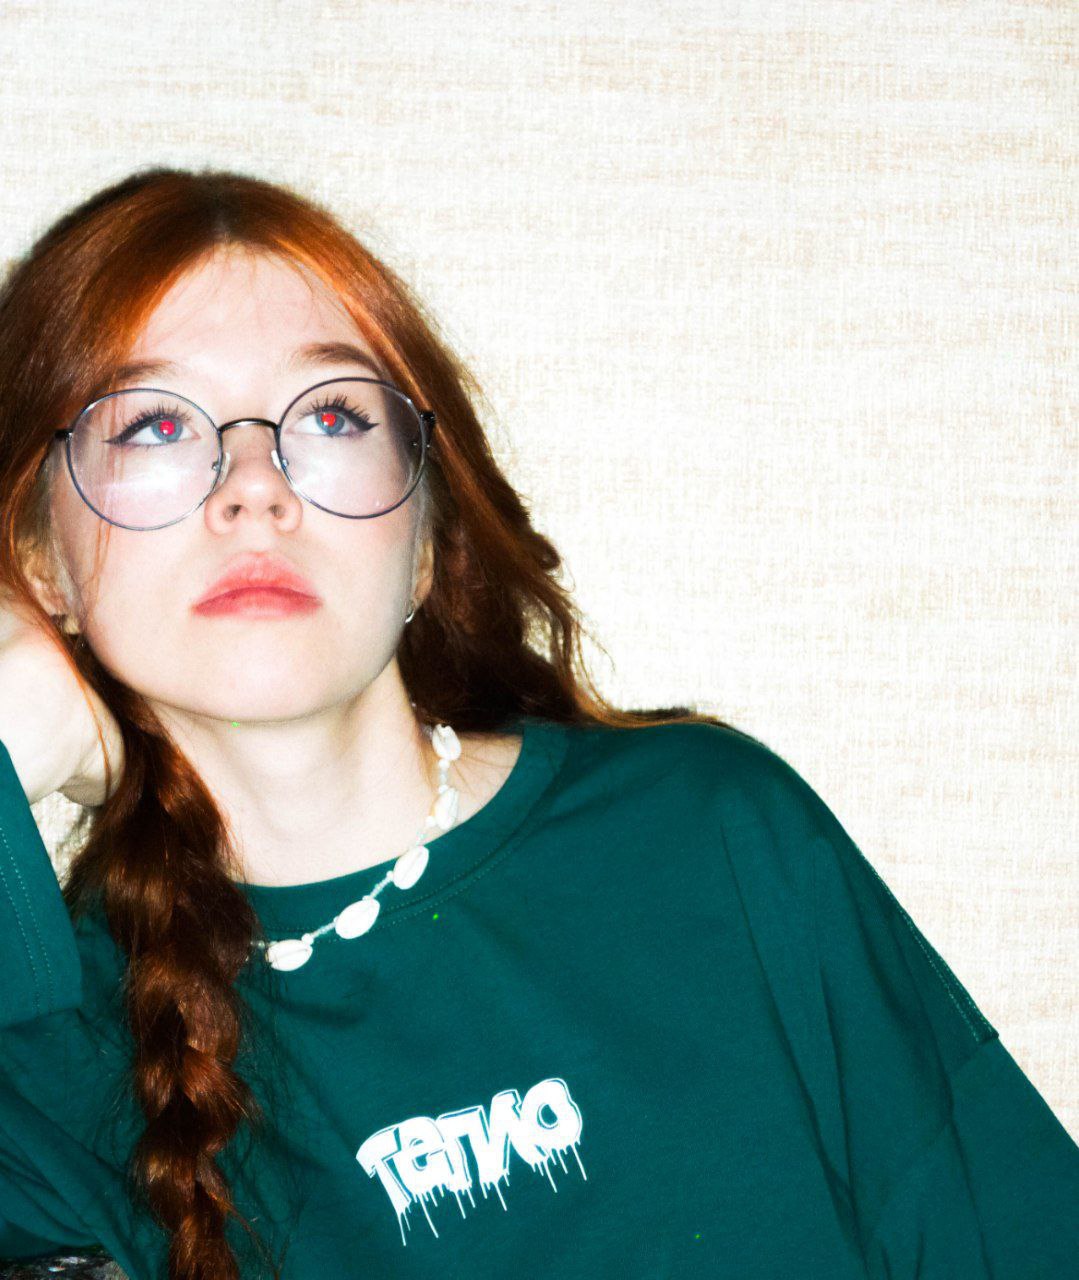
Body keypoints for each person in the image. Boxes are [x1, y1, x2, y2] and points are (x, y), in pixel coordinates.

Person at [0, 167, 1074, 1280]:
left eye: (329, 416)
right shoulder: (53, 1047)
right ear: (42, 562)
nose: (253, 486)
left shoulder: (707, 836)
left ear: (424, 536)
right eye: (155, 425)